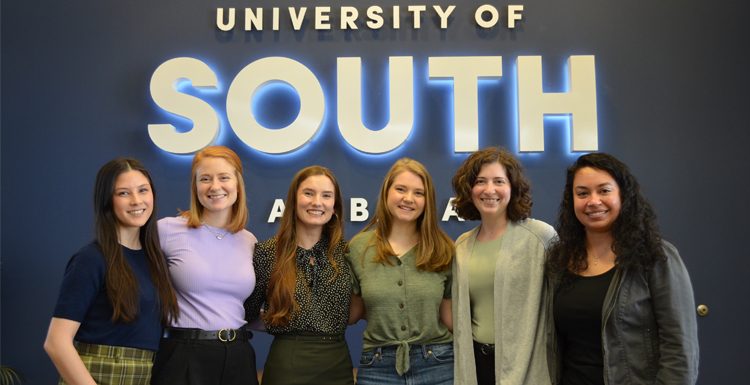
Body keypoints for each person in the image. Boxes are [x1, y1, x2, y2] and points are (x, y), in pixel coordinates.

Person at [544, 152, 699, 385]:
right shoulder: (559, 259)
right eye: (582, 193)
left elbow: (680, 349)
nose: (593, 201)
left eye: (604, 190)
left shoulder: (654, 256)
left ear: (623, 195)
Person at [44, 158, 179, 385]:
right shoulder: (92, 259)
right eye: (123, 193)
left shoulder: (157, 261)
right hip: (96, 375)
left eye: (143, 190)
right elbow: (56, 342)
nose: (137, 201)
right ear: (107, 200)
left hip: (144, 375)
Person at [151, 146, 260, 385]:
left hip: (239, 355)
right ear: (195, 185)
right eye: (205, 179)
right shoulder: (166, 230)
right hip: (184, 354)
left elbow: (234, 309)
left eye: (224, 177)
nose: (215, 186)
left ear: (238, 184)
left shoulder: (248, 240)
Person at [450, 147, 556, 385]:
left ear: (513, 187)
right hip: (475, 366)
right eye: (480, 181)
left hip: (526, 368)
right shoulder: (462, 245)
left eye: (499, 181)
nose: (489, 190)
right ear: (469, 189)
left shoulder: (540, 236)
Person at [346, 158, 455, 385]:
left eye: (418, 193)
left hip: (439, 365)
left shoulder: (444, 249)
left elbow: (449, 317)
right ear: (387, 193)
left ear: (428, 200)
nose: (408, 199)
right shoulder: (359, 248)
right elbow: (352, 314)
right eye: (401, 189)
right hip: (377, 366)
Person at [244, 166, 353, 384]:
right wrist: (279, 318)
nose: (317, 202)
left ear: (335, 205)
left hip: (338, 365)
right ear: (294, 201)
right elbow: (246, 313)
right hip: (287, 365)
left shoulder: (348, 253)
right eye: (308, 193)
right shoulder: (267, 253)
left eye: (326, 195)